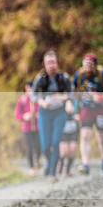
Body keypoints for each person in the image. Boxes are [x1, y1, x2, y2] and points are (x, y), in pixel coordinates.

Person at [31, 50, 72, 182]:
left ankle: (53, 173)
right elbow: (33, 94)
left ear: (57, 63)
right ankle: (49, 162)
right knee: (45, 145)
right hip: (45, 112)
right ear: (45, 64)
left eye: (53, 62)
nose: (51, 65)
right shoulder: (40, 78)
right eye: (49, 62)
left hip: (59, 112)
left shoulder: (64, 77)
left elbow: (71, 94)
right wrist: (42, 102)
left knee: (55, 142)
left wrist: (62, 97)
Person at [72, 53, 103, 175]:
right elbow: (74, 91)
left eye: (90, 64)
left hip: (102, 108)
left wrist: (102, 96)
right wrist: (76, 109)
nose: (88, 67)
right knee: (85, 135)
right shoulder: (79, 74)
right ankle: (85, 164)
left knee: (101, 137)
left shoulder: (102, 73)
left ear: (95, 65)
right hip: (86, 108)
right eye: (85, 64)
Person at [14, 79, 40, 174]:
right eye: (29, 88)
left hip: (38, 128)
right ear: (26, 88)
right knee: (29, 148)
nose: (30, 90)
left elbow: (43, 111)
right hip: (27, 128)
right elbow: (17, 115)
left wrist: (38, 115)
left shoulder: (38, 99)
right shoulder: (22, 100)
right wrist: (24, 116)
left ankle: (37, 161)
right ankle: (32, 167)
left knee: (39, 147)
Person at [57, 97, 78, 177]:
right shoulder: (60, 102)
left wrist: (77, 116)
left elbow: (80, 112)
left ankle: (68, 170)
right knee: (64, 151)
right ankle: (60, 164)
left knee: (72, 150)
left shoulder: (76, 101)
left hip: (73, 129)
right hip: (63, 129)